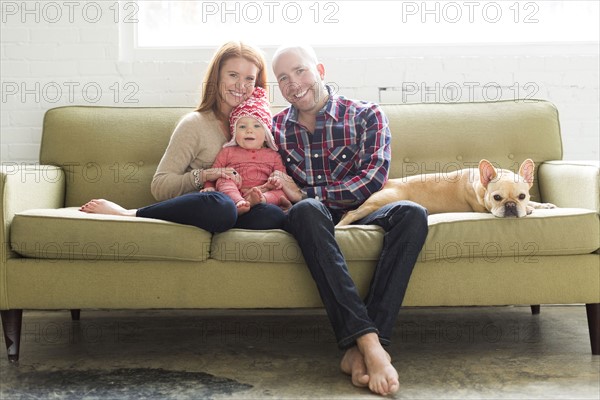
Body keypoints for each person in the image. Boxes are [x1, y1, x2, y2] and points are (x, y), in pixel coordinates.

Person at [266, 45, 429, 396]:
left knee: (413, 213)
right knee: (305, 212)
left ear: (320, 69)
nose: (294, 84)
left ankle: (360, 349)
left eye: (300, 71)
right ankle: (372, 347)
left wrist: (308, 193)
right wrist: (301, 199)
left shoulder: (367, 115)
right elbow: (269, 177)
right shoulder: (274, 129)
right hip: (314, 219)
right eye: (283, 78)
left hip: (365, 211)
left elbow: (371, 180)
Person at [79, 41, 285, 231]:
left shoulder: (262, 128)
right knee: (221, 206)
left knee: (272, 215)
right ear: (217, 76)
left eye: (249, 78)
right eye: (233, 75)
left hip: (242, 210)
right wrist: (205, 176)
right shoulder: (195, 124)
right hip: (209, 207)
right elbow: (160, 186)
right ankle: (130, 213)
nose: (241, 86)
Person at [202, 86, 290, 215]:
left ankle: (260, 200)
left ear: (266, 134)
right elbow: (214, 172)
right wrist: (208, 186)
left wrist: (275, 181)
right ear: (234, 131)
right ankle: (239, 202)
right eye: (242, 126)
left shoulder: (273, 156)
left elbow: (282, 177)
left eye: (256, 126)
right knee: (223, 180)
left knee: (281, 192)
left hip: (263, 191)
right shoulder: (228, 152)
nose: (249, 130)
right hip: (234, 190)